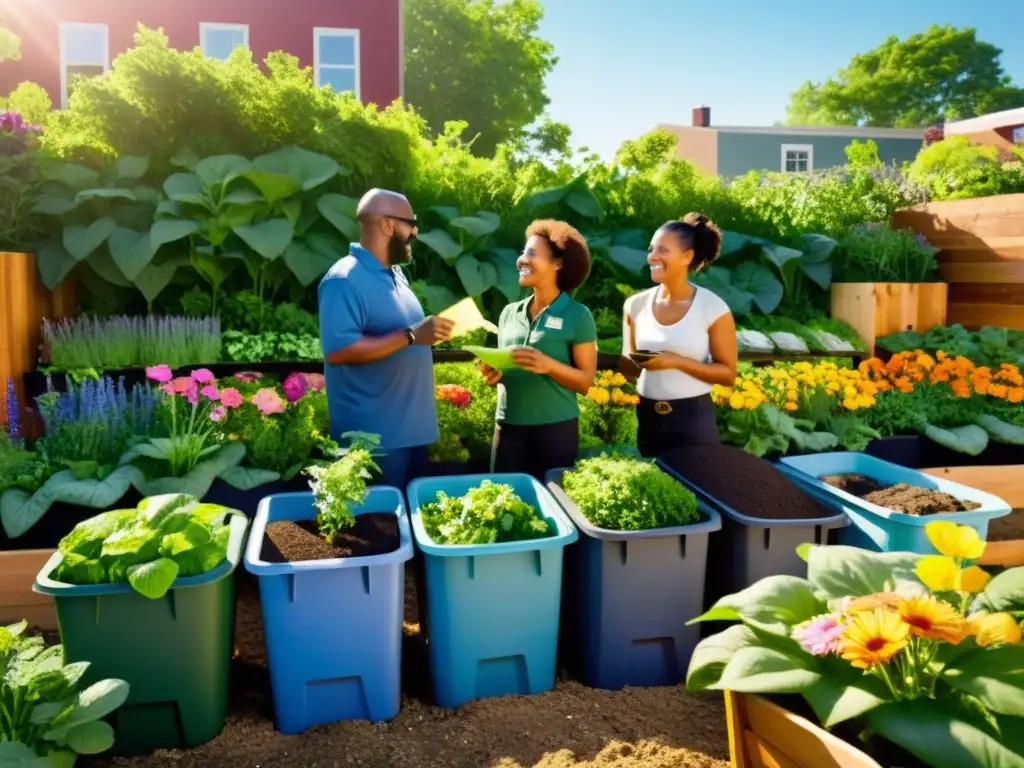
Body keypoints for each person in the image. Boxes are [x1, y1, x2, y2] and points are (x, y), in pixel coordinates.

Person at [318, 188, 454, 488]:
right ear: (388, 225)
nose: (415, 231)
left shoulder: (396, 274)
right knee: (382, 529)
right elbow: (339, 350)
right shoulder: (343, 279)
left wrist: (427, 334)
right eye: (411, 222)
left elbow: (404, 337)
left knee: (412, 524)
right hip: (374, 441)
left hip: (413, 433)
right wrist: (411, 335)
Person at [480, 220, 598, 479]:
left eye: (531, 253)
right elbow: (504, 374)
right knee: (503, 504)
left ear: (558, 264)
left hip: (556, 431)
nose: (522, 260)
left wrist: (549, 365)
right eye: (523, 253)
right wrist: (494, 372)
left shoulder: (578, 315)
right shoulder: (509, 313)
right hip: (508, 427)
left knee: (555, 510)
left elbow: (586, 382)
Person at [620, 212, 737, 458]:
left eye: (663, 250)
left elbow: (728, 374)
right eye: (651, 249)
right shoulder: (635, 305)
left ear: (687, 257)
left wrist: (675, 361)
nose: (652, 256)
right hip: (647, 417)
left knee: (698, 488)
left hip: (692, 419)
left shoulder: (712, 307)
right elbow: (629, 366)